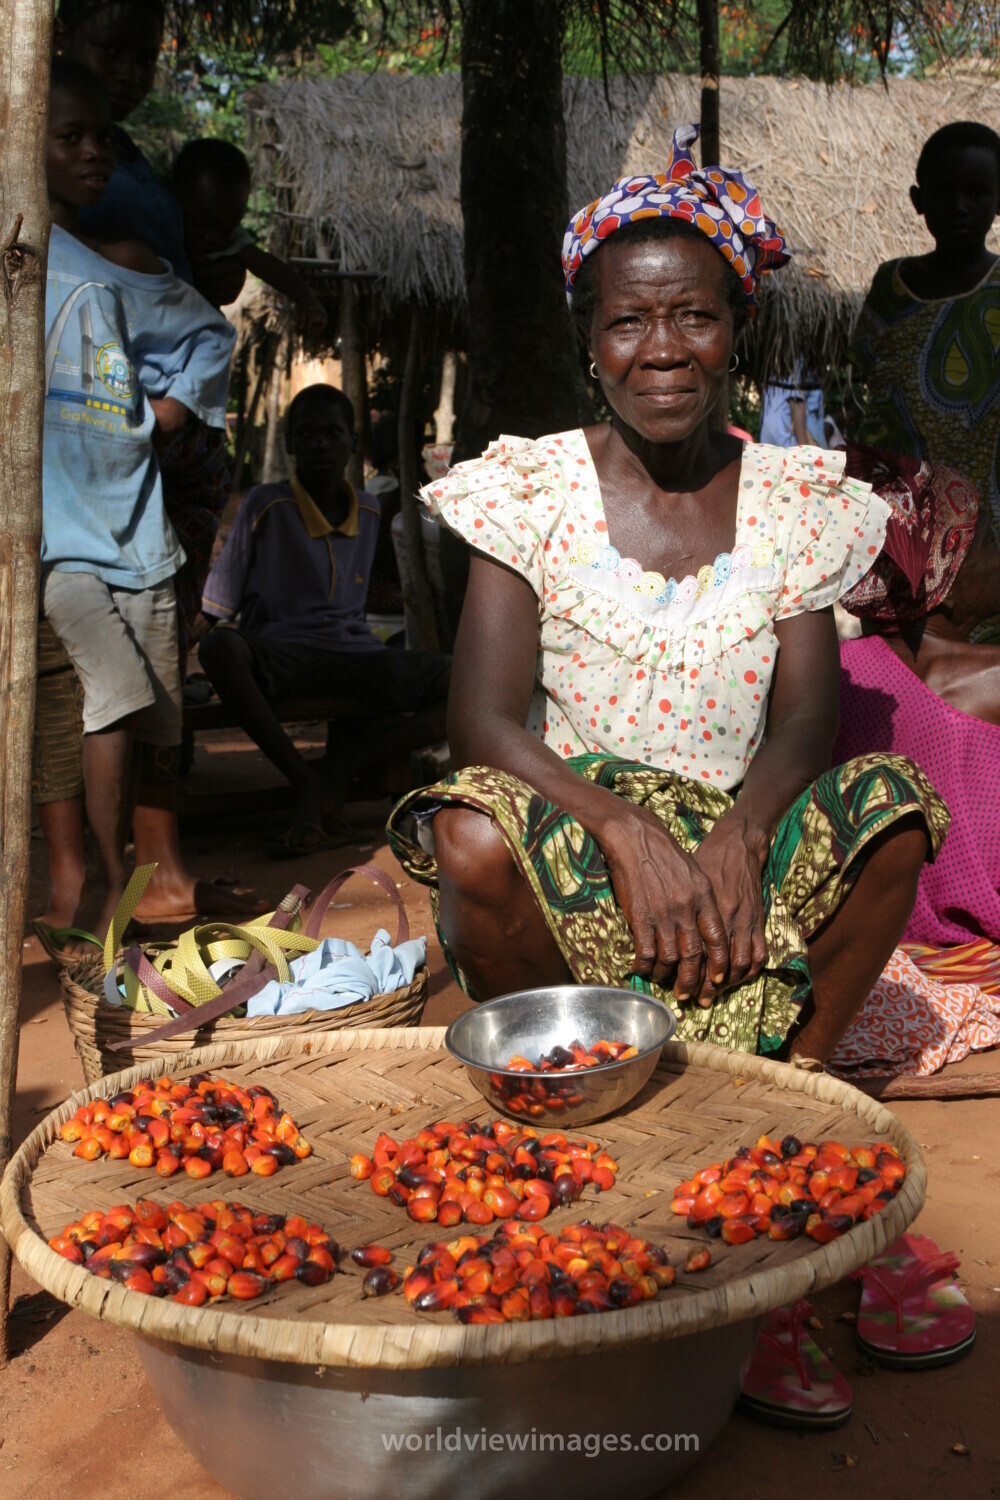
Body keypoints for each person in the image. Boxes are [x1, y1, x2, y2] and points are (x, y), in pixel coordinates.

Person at [386, 124, 948, 1065]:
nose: (663, 352)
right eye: (627, 323)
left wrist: (741, 834)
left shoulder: (788, 501)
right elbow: (483, 723)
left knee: (894, 805)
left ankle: (783, 1085)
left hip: (740, 836)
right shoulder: (531, 492)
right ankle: (568, 1057)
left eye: (694, 316)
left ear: (739, 329)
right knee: (472, 837)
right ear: (588, 342)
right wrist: (621, 828)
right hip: (579, 835)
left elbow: (809, 719)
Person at [39, 59, 238, 950]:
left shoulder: (110, 270)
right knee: (110, 697)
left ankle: (141, 879)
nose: (93, 156)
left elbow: (206, 331)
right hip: (61, 544)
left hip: (144, 535)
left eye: (101, 140)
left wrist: (170, 409)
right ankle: (108, 877)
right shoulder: (21, 273)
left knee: (160, 712)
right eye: (68, 136)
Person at [198, 384, 451, 856]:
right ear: (290, 443)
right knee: (218, 648)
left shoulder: (371, 508)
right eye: (307, 433)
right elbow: (216, 609)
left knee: (462, 679)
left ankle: (332, 773)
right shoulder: (264, 504)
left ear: (352, 443)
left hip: (355, 654)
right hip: (281, 654)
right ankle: (305, 779)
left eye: (332, 433)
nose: (319, 444)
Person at [835, 447, 1000, 958]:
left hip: (868, 964)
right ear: (946, 583)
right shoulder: (991, 678)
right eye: (988, 542)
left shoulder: (836, 679)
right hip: (981, 966)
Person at [848, 120, 1000, 529]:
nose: (959, 206)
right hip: (898, 515)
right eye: (944, 193)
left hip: (990, 522)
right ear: (918, 200)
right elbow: (854, 382)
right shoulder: (891, 287)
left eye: (976, 192)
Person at [172, 138, 326, 335]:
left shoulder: (230, 240)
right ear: (175, 201)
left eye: (227, 229)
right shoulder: (161, 230)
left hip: (202, 336)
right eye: (202, 225)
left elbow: (268, 266)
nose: (213, 238)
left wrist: (305, 297)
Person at [759, 359, 825, 447]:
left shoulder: (777, 366)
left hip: (772, 441)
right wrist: (805, 450)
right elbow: (797, 404)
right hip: (789, 443)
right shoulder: (801, 363)